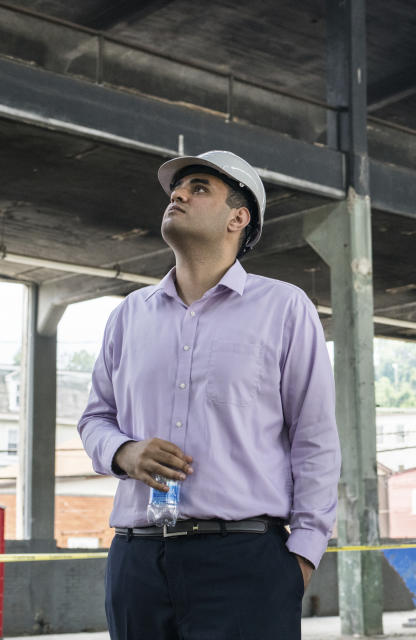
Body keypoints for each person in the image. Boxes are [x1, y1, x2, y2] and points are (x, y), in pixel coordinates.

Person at [78, 150, 340, 639]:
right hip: (136, 560)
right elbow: (95, 418)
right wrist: (126, 453)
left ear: (238, 218)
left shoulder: (283, 308)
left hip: (245, 561)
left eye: (199, 188)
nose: (177, 194)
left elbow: (316, 436)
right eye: (177, 189)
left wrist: (302, 555)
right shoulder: (129, 315)